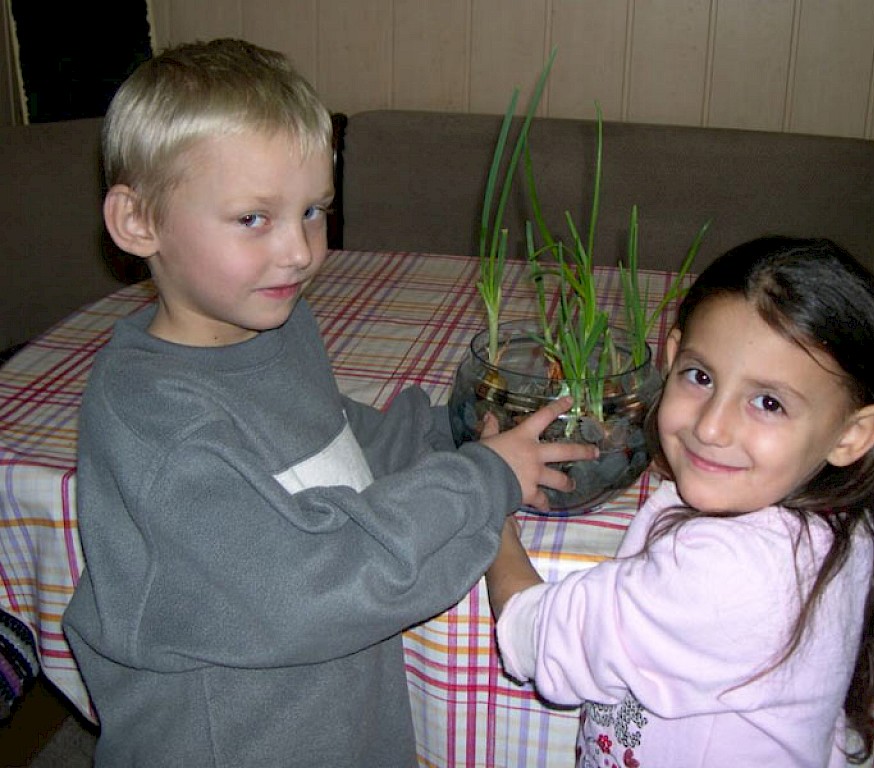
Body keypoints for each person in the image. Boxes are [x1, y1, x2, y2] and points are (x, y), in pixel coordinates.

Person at [62, 38, 596, 767]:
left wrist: (454, 434)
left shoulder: (273, 329)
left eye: (314, 210)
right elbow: (317, 584)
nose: (300, 252)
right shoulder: (159, 429)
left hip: (334, 718)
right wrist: (480, 480)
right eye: (254, 218)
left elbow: (331, 443)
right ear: (138, 222)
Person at [485, 236, 874, 767]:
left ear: (853, 435)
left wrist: (492, 508)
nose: (711, 426)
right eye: (701, 376)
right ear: (672, 358)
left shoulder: (733, 573)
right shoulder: (842, 511)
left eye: (769, 403)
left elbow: (539, 636)